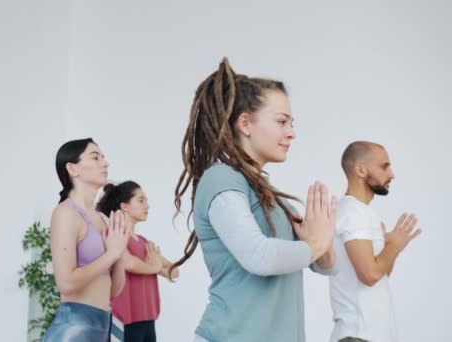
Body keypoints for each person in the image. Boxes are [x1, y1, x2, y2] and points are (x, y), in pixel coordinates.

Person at [170, 57, 338, 342]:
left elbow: (326, 265)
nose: (291, 133)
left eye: (291, 123)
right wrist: (315, 245)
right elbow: (258, 256)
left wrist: (322, 241)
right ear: (245, 123)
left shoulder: (272, 198)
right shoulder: (221, 179)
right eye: (282, 121)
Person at [329, 141, 421, 342]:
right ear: (360, 170)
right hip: (358, 335)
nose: (392, 174)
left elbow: (381, 275)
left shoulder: (362, 213)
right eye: (384, 166)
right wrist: (394, 246)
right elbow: (369, 275)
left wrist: (390, 246)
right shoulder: (354, 214)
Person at [44, 138, 131, 341]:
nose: (105, 162)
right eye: (95, 157)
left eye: (103, 157)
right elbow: (65, 283)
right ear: (72, 169)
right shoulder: (66, 213)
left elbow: (114, 290)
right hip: (73, 329)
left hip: (101, 327)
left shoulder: (102, 219)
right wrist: (111, 254)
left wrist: (118, 254)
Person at [97, 181, 180, 342]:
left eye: (146, 201)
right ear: (125, 206)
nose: (147, 205)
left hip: (147, 319)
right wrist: (155, 266)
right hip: (123, 319)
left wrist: (154, 265)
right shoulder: (114, 233)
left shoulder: (144, 243)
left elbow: (173, 271)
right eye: (141, 200)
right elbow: (129, 263)